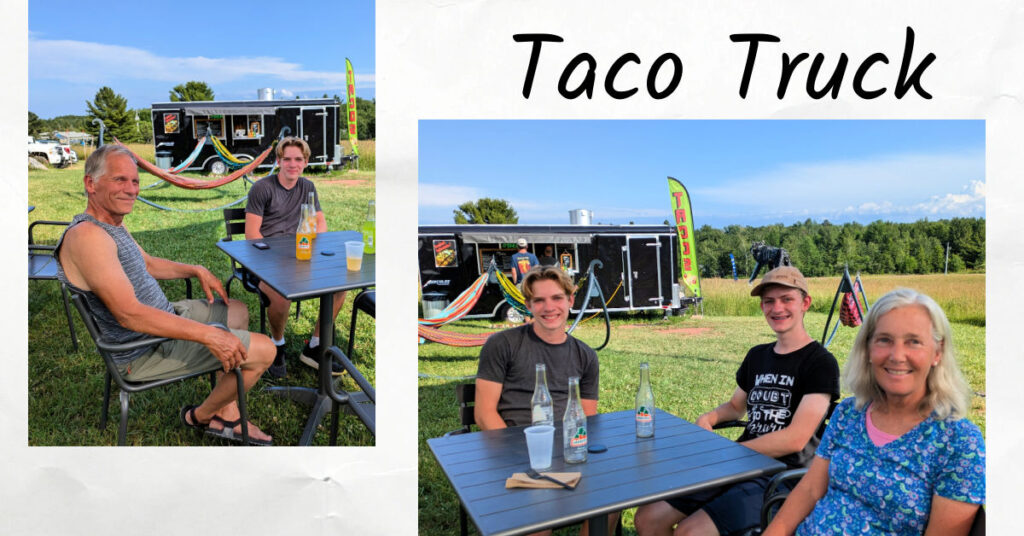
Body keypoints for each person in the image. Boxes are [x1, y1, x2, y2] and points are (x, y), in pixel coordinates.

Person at [55, 144, 275, 445]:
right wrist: (209, 335)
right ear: (90, 183)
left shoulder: (110, 224)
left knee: (237, 311)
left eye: (134, 181)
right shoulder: (88, 237)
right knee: (266, 350)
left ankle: (226, 406)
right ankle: (200, 416)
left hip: (165, 317)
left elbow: (146, 263)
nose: (131, 189)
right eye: (120, 180)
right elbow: (129, 314)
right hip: (143, 349)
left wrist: (195, 269)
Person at [635, 266, 839, 536]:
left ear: (805, 303)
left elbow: (796, 438)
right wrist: (709, 418)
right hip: (740, 464)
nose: (777, 308)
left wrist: (733, 454)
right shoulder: (757, 355)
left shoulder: (820, 362)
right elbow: (735, 407)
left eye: (786, 299)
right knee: (648, 518)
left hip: (783, 475)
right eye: (769, 301)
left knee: (690, 532)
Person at [763, 288, 984, 536]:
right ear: (868, 349)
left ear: (937, 352)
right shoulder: (849, 413)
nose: (897, 356)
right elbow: (810, 490)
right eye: (884, 340)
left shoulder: (959, 442)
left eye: (914, 341)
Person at [475, 265, 612, 535]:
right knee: (539, 520)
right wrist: (521, 459)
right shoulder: (502, 344)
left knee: (612, 503)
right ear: (528, 305)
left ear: (571, 300)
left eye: (557, 298)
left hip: (568, 455)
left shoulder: (586, 356)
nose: (549, 307)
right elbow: (484, 413)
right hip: (516, 455)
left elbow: (586, 420)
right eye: (539, 300)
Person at [245, 137, 346, 377]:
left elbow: (319, 221)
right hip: (264, 260)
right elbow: (251, 235)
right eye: (287, 159)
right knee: (281, 296)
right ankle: (277, 345)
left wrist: (316, 245)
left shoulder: (308, 187)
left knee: (339, 287)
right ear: (278, 161)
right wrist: (276, 260)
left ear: (306, 162)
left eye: (298, 159)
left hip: (301, 257)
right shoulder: (262, 188)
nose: (293, 164)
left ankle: (314, 345)